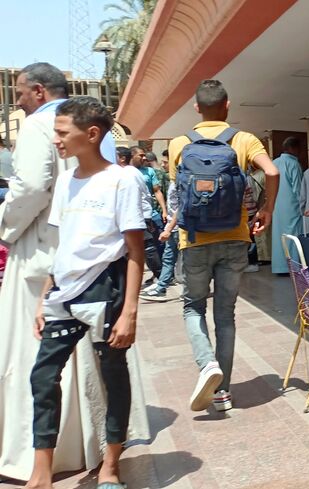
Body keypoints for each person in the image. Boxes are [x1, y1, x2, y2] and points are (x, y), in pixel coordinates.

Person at [0, 63, 147, 481]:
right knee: (43, 377)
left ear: (93, 134)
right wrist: (48, 294)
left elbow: (136, 252)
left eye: (63, 133)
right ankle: (41, 471)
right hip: (64, 295)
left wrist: (129, 312)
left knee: (112, 376)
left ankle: (111, 466)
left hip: (106, 293)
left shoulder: (125, 180)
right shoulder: (66, 184)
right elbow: (62, 241)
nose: (56, 139)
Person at [167, 79, 278, 412]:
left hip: (195, 239)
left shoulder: (179, 143)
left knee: (192, 308)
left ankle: (207, 365)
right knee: (225, 316)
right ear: (228, 106)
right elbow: (271, 172)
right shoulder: (243, 140)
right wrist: (266, 209)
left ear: (197, 108)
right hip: (235, 237)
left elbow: (182, 191)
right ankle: (222, 391)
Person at [117, 147, 162, 285]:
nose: (144, 158)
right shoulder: (131, 172)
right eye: (140, 155)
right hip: (139, 215)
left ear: (123, 158)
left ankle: (161, 277)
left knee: (147, 248)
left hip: (141, 216)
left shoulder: (129, 173)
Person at [270, 136, 304, 274]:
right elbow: (298, 189)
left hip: (277, 206)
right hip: (293, 206)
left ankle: (279, 266)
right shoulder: (293, 164)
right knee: (293, 235)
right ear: (294, 148)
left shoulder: (274, 162)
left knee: (279, 236)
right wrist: (304, 206)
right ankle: (293, 266)